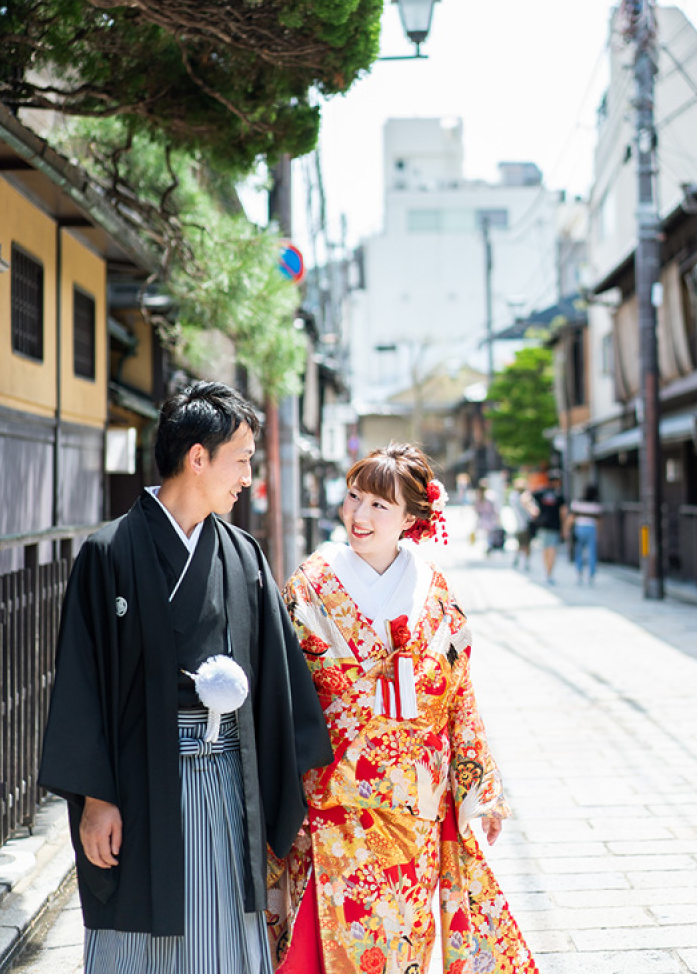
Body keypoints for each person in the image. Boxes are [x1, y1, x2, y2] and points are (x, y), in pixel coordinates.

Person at [39, 381, 333, 974]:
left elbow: (279, 682)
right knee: (141, 932)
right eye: (241, 459)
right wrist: (97, 797)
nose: (247, 476)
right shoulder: (110, 552)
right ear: (197, 457)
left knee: (224, 927)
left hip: (227, 779)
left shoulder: (242, 554)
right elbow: (81, 683)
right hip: (138, 784)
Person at [268, 443, 539, 974]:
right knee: (325, 940)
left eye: (378, 505)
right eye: (353, 498)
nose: (359, 515)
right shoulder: (311, 583)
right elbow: (283, 692)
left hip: (415, 804)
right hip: (331, 798)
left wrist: (477, 785)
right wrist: (282, 789)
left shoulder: (434, 589)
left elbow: (458, 691)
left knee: (403, 942)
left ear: (411, 517)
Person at [531, 470, 566, 584]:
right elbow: (563, 513)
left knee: (545, 550)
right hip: (554, 526)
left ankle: (547, 571)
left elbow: (526, 497)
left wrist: (533, 511)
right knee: (552, 550)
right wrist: (564, 529)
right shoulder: (559, 495)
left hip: (542, 525)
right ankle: (549, 573)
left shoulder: (541, 492)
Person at [568, 483, 602, 584]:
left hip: (580, 528)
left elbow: (572, 517)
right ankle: (591, 575)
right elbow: (599, 521)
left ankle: (579, 573)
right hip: (591, 529)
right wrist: (599, 532)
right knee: (592, 552)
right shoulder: (596, 504)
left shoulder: (577, 502)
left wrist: (567, 529)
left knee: (579, 551)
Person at [508, 477, 536, 570]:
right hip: (524, 524)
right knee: (526, 544)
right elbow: (532, 510)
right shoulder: (522, 497)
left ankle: (517, 559)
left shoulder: (513, 496)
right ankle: (526, 562)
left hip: (519, 524)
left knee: (521, 544)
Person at [474, 484, 503, 553]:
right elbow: (477, 512)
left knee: (489, 534)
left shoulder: (488, 500)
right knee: (487, 534)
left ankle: (489, 546)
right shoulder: (478, 500)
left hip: (489, 519)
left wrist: (498, 519)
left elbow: (495, 510)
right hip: (485, 520)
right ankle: (488, 546)